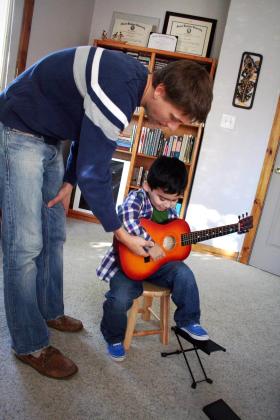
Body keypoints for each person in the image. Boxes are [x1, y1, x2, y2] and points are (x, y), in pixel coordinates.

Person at [0, 45, 213, 377]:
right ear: (159, 89)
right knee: (25, 245)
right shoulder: (118, 88)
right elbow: (95, 172)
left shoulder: (129, 88)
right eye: (173, 117)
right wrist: (122, 234)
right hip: (19, 128)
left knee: (54, 234)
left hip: (51, 138)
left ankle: (49, 310)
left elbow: (87, 138)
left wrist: (69, 179)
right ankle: (30, 344)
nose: (171, 128)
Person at [97, 156, 209, 362]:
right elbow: (127, 220)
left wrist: (178, 242)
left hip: (157, 266)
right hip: (127, 266)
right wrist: (151, 243)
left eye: (174, 200)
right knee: (119, 299)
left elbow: (175, 238)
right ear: (147, 186)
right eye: (162, 198)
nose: (167, 205)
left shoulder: (170, 211)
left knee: (184, 273)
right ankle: (113, 337)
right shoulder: (137, 198)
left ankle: (188, 319)